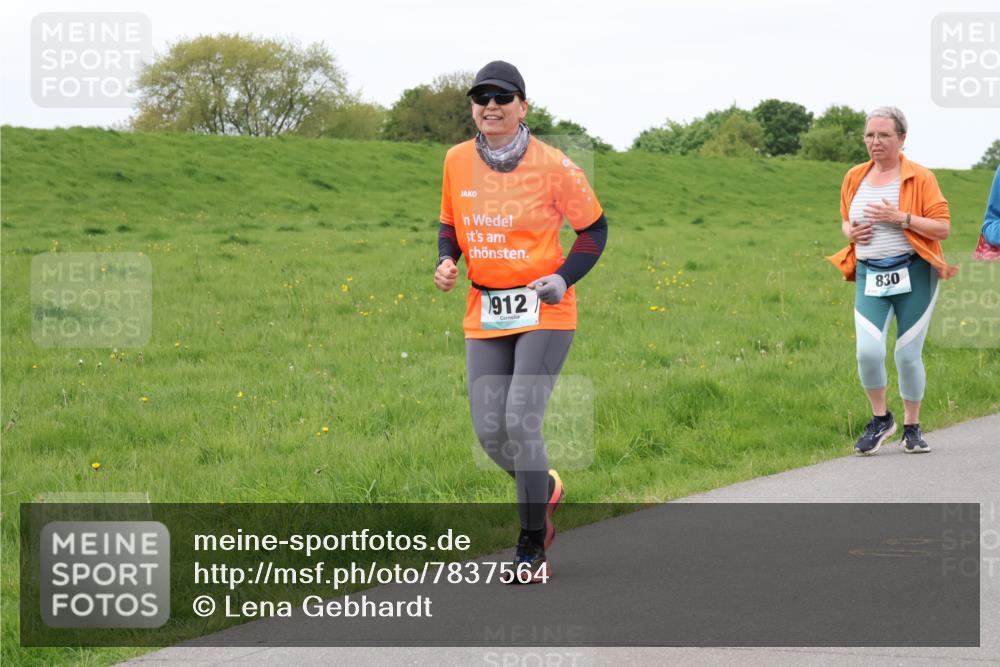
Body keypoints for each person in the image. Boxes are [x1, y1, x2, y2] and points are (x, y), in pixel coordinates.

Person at [433, 61, 607, 583]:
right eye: (481, 97)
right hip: (485, 308)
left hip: (544, 306)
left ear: (522, 106)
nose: (491, 106)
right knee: (490, 432)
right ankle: (544, 487)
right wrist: (446, 261)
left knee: (520, 420)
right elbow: (450, 225)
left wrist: (565, 276)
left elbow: (594, 230)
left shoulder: (553, 164)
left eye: (502, 97)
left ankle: (533, 543)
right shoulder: (456, 160)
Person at [827, 107, 957, 456]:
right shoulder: (854, 176)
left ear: (902, 138)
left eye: (884, 135)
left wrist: (901, 218)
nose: (875, 142)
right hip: (870, 274)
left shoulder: (920, 177)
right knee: (867, 353)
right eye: (870, 135)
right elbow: (844, 221)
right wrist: (850, 231)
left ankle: (912, 427)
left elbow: (942, 227)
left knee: (906, 354)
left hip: (915, 273)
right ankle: (881, 419)